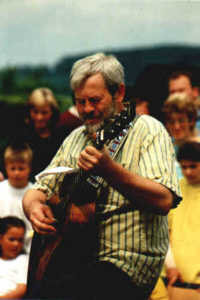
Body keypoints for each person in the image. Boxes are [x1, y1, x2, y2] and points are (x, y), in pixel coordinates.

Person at [23, 52, 181, 300]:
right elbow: (39, 188)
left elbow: (163, 201)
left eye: (94, 100)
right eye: (80, 102)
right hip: (76, 257)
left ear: (118, 93)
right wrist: (33, 206)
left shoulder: (148, 130)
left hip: (127, 262)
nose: (87, 109)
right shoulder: (76, 137)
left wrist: (110, 170)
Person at [165, 141, 200, 286]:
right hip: (172, 277)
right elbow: (163, 232)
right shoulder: (174, 189)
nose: (188, 172)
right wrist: (170, 265)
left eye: (193, 166)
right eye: (184, 167)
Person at [18, 87, 70, 182]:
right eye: (35, 112)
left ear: (53, 112)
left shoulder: (63, 135)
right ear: (29, 111)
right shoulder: (21, 135)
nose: (39, 117)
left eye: (44, 113)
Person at [0, 142, 33, 253]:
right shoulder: (1, 189)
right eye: (12, 168)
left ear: (29, 168)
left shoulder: (33, 192)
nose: (17, 173)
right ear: (6, 167)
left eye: (21, 168)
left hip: (25, 246)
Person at [162, 92, 200, 178]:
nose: (177, 126)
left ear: (191, 121)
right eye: (171, 122)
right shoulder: (164, 147)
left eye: (181, 120)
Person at [0, 216, 29, 299]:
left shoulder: (22, 261)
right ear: (0, 239)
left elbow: (21, 290)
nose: (16, 244)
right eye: (11, 239)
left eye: (20, 240)